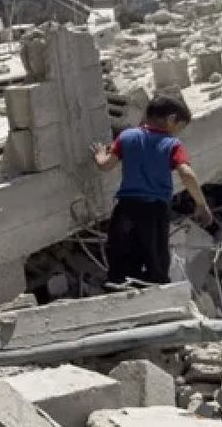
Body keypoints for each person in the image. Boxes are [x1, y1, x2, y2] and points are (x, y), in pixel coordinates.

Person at [91, 95, 214, 287]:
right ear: (171, 119)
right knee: (155, 262)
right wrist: (201, 204)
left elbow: (106, 165)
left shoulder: (127, 137)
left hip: (125, 209)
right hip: (154, 211)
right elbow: (187, 174)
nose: (177, 132)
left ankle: (119, 297)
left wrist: (99, 155)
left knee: (120, 260)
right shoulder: (172, 145)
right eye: (179, 127)